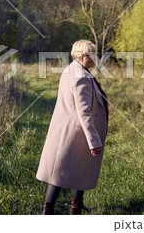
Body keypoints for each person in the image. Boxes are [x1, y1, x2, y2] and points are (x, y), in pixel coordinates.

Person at [36, 40, 109, 215]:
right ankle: (48, 210)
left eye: (94, 54)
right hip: (79, 132)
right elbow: (84, 111)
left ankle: (75, 205)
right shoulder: (81, 76)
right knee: (59, 172)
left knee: (77, 169)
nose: (92, 59)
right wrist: (94, 140)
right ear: (78, 55)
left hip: (73, 129)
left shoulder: (72, 70)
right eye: (88, 55)